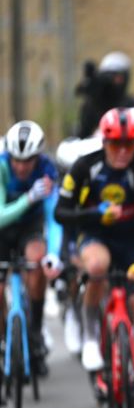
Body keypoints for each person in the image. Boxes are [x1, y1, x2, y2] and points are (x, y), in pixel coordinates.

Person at [56, 107, 134, 408]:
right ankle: (90, 334)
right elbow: (61, 213)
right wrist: (95, 214)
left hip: (132, 244)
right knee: (97, 267)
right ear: (105, 142)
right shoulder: (84, 166)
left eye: (129, 145)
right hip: (97, 236)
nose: (123, 152)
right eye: (116, 145)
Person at [1, 121, 61, 375]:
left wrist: (54, 255)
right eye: (17, 160)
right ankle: (5, 339)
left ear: (37, 157)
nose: (21, 166)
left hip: (30, 229)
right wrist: (28, 199)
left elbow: (54, 219)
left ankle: (35, 329)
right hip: (3, 229)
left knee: (37, 262)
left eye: (28, 161)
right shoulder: (2, 166)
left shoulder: (47, 171)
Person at [75, 51, 134, 138]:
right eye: (108, 77)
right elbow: (82, 136)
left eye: (118, 78)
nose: (112, 83)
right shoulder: (90, 105)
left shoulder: (132, 105)